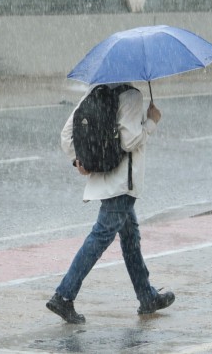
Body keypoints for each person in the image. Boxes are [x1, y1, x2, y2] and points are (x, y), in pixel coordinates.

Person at [46, 83, 174, 324]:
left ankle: (146, 296)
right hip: (123, 183)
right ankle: (64, 295)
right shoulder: (131, 95)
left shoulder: (94, 91)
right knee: (101, 236)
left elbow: (66, 134)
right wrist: (152, 121)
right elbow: (129, 141)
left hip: (104, 178)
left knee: (130, 238)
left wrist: (78, 161)